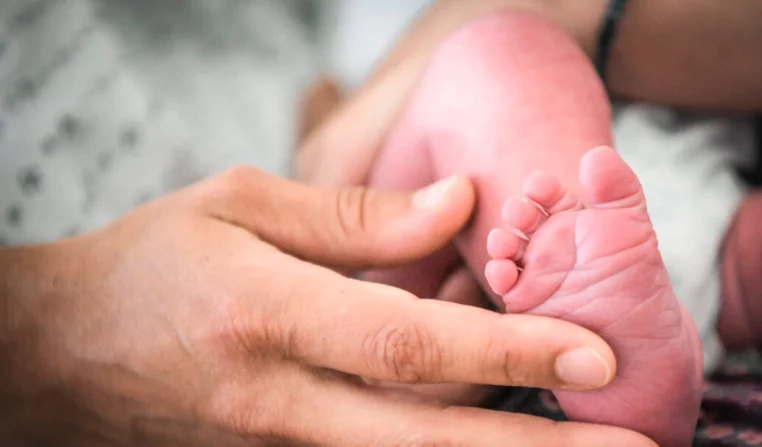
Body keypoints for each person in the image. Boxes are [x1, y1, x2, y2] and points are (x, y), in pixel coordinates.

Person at [0, 1, 657, 445]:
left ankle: (642, 313)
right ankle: (654, 328)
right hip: (303, 231)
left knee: (494, 66)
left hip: (328, 172)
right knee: (496, 67)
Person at [297, 0, 762, 444]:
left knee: (493, 54)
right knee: (492, 47)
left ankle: (619, 338)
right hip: (550, 181)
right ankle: (581, 276)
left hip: (700, 189)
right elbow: (325, 134)